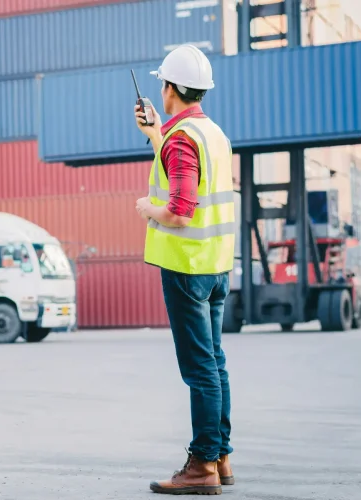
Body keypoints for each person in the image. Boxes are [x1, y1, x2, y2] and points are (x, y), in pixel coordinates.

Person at [133, 44, 236, 496]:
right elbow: (183, 166)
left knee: (199, 371)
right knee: (215, 365)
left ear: (170, 87)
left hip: (186, 269)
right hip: (215, 266)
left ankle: (202, 466)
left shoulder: (182, 141)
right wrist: (156, 131)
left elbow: (179, 210)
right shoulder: (211, 133)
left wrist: (147, 209)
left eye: (162, 83)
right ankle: (222, 456)